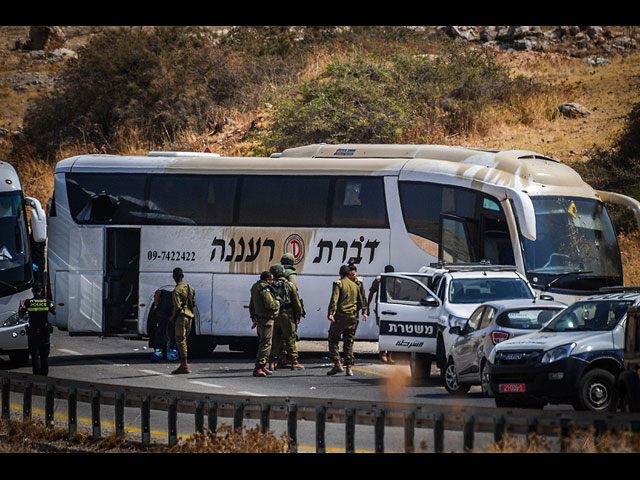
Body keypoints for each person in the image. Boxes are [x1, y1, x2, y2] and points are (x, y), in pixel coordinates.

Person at [327, 265, 367, 376]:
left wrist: (331, 313)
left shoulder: (339, 284)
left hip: (341, 316)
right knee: (349, 343)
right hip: (353, 317)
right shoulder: (356, 285)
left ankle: (337, 363)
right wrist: (358, 311)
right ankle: (349, 368)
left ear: (340, 273)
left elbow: (334, 299)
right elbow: (361, 300)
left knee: (333, 338)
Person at [268, 263, 305, 370]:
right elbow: (296, 302)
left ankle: (271, 362)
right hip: (287, 314)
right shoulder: (290, 285)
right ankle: (294, 361)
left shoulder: (269, 285)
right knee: (290, 338)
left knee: (274, 339)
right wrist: (299, 314)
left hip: (274, 315)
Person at [18, 282, 56, 376]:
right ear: (41, 290)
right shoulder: (47, 302)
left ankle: (37, 376)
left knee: (35, 355)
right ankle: (44, 375)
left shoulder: (28, 302)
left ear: (32, 291)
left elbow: (21, 315)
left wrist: (21, 306)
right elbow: (55, 312)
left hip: (33, 332)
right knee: (44, 355)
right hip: (44, 331)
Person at [249, 271, 280, 377]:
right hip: (266, 319)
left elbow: (251, 304)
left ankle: (263, 366)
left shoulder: (255, 287)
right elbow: (270, 304)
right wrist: (277, 303)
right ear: (267, 280)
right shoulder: (265, 289)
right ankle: (259, 367)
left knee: (263, 342)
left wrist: (253, 318)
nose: (272, 282)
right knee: (266, 344)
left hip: (259, 319)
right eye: (271, 280)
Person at [169, 268, 197, 375]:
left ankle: (184, 364)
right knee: (185, 340)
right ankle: (184, 363)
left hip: (181, 317)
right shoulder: (190, 288)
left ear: (174, 277)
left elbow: (177, 306)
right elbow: (193, 304)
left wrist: (172, 317)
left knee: (180, 340)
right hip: (190, 317)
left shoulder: (176, 291)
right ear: (183, 276)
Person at [368, 265, 396, 364]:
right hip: (382, 309)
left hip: (393, 310)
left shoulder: (396, 281)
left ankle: (389, 355)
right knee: (383, 332)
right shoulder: (379, 280)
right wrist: (367, 306)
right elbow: (371, 292)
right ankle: (383, 353)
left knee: (392, 332)